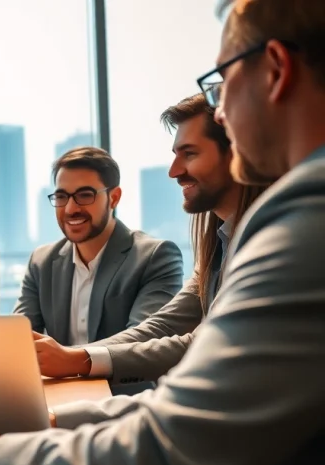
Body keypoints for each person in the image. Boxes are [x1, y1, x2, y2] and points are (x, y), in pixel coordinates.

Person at [0, 0, 325, 465]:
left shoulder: (305, 219)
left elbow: (173, 447)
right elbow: (183, 402)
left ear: (274, 68)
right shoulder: (265, 225)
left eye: (221, 81)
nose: (220, 110)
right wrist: (42, 425)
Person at [34, 95, 267, 386]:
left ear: (236, 153)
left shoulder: (264, 243)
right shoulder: (218, 243)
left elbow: (198, 343)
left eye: (190, 153)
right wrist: (74, 356)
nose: (174, 171)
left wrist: (79, 359)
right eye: (61, 197)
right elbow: (161, 326)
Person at [14, 147, 183, 346]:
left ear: (114, 198)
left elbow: (142, 342)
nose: (70, 209)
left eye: (85, 195)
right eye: (61, 197)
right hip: (58, 378)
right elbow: (20, 339)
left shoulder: (154, 257)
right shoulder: (41, 262)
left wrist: (68, 358)